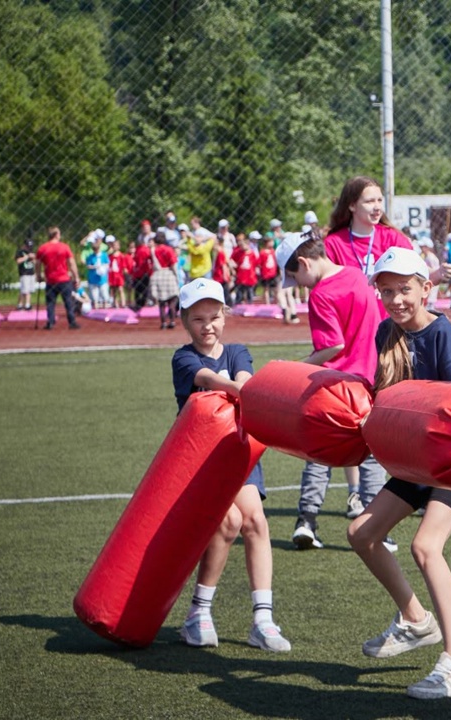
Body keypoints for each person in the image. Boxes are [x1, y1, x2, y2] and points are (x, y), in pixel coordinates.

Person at [346, 248, 451, 699]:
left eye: (405, 288)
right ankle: (415, 618)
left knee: (426, 547)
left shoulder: (443, 333)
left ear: (427, 287)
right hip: (413, 462)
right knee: (361, 533)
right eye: (386, 290)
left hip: (450, 463)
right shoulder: (386, 331)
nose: (396, 298)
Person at [171, 277, 291, 653]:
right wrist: (245, 391)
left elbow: (242, 375)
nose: (207, 326)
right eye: (197, 319)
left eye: (214, 317)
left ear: (225, 315)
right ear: (184, 321)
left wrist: (248, 386)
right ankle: (198, 614)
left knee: (254, 519)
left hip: (238, 451)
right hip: (200, 458)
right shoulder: (183, 358)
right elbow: (208, 379)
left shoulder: (238, 351)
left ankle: (263, 619)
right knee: (229, 522)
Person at [277, 231, 389, 552]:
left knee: (319, 454)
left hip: (335, 387)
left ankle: (307, 520)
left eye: (295, 276)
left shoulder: (320, 294)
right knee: (371, 456)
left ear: (303, 262)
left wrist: (299, 368)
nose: (299, 284)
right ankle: (376, 527)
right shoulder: (357, 276)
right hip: (369, 384)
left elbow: (332, 345)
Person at [317, 176, 415, 521]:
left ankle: (393, 490)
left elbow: (414, 278)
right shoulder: (334, 243)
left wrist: (438, 273)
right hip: (352, 339)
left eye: (379, 200)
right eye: (369, 201)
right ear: (351, 206)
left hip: (392, 338)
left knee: (388, 412)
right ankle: (356, 494)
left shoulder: (393, 239)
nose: (377, 207)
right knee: (349, 413)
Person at [35, 227, 81, 330]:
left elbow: (37, 263)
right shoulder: (64, 247)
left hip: (51, 279)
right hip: (64, 278)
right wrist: (76, 277)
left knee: (50, 302)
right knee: (68, 301)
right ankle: (72, 321)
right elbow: (71, 263)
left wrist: (38, 275)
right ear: (56, 235)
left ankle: (50, 321)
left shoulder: (43, 248)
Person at [150, 229, 181, 329]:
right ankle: (172, 321)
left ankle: (163, 322)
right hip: (168, 273)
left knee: (161, 301)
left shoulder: (153, 250)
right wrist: (177, 277)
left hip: (158, 274)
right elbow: (174, 264)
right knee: (172, 299)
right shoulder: (168, 249)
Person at [231, 233, 258, 305]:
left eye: (243, 245)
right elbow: (231, 259)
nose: (242, 247)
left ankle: (250, 304)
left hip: (250, 276)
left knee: (249, 291)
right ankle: (238, 304)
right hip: (241, 275)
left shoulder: (252, 254)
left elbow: (255, 264)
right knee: (239, 291)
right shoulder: (238, 253)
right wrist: (234, 267)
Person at [85, 236, 110, 309]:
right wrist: (95, 266)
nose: (96, 251)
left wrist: (102, 267)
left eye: (97, 249)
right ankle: (96, 308)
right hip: (93, 279)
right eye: (94, 249)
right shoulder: (90, 257)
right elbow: (88, 266)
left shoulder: (104, 255)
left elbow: (107, 264)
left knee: (104, 294)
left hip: (102, 279)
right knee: (95, 296)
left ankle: (105, 308)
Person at [106, 236, 131, 308]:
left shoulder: (121, 256)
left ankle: (123, 303)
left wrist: (124, 271)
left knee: (120, 289)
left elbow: (123, 265)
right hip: (112, 274)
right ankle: (115, 303)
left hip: (119, 275)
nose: (115, 247)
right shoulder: (110, 256)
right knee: (113, 290)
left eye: (116, 245)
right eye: (114, 245)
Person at [15, 239, 36, 311]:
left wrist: (33, 258)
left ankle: (20, 304)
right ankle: (27, 304)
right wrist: (26, 257)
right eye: (27, 246)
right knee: (25, 290)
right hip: (24, 273)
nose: (29, 248)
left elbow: (35, 263)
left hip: (31, 272)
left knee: (27, 290)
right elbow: (18, 261)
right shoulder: (20, 252)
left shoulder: (32, 252)